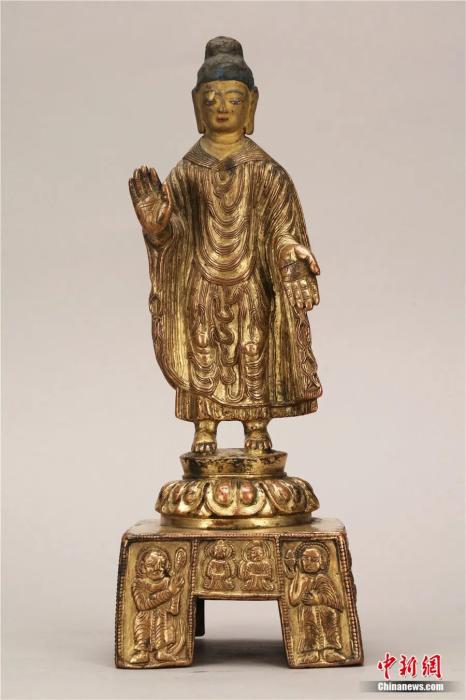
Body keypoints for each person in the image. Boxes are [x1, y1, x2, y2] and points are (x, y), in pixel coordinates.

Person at [129, 36, 322, 454]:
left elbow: (282, 227)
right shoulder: (186, 172)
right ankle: (205, 427)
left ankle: (256, 427)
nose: (222, 107)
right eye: (211, 98)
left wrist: (291, 254)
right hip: (200, 280)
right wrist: (157, 228)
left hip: (251, 280)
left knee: (254, 348)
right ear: (196, 105)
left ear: (251, 105)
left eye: (233, 99)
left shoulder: (267, 171)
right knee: (201, 347)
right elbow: (173, 233)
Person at [289, 544, 346, 664]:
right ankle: (311, 653)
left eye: (314, 560)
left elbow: (335, 599)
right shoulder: (301, 579)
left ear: (322, 562)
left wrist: (318, 599)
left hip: (326, 614)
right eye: (305, 559)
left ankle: (329, 651)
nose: (309, 563)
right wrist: (298, 580)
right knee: (309, 631)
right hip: (308, 615)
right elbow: (293, 601)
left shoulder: (322, 578)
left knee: (329, 631)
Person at [130, 547, 185, 665]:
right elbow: (142, 605)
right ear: (143, 567)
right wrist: (169, 592)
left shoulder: (168, 582)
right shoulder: (138, 583)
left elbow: (174, 610)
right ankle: (143, 653)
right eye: (151, 565)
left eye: (161, 565)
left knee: (165, 624)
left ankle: (162, 652)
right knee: (142, 628)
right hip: (145, 617)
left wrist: (176, 594)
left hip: (163, 616)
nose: (157, 568)